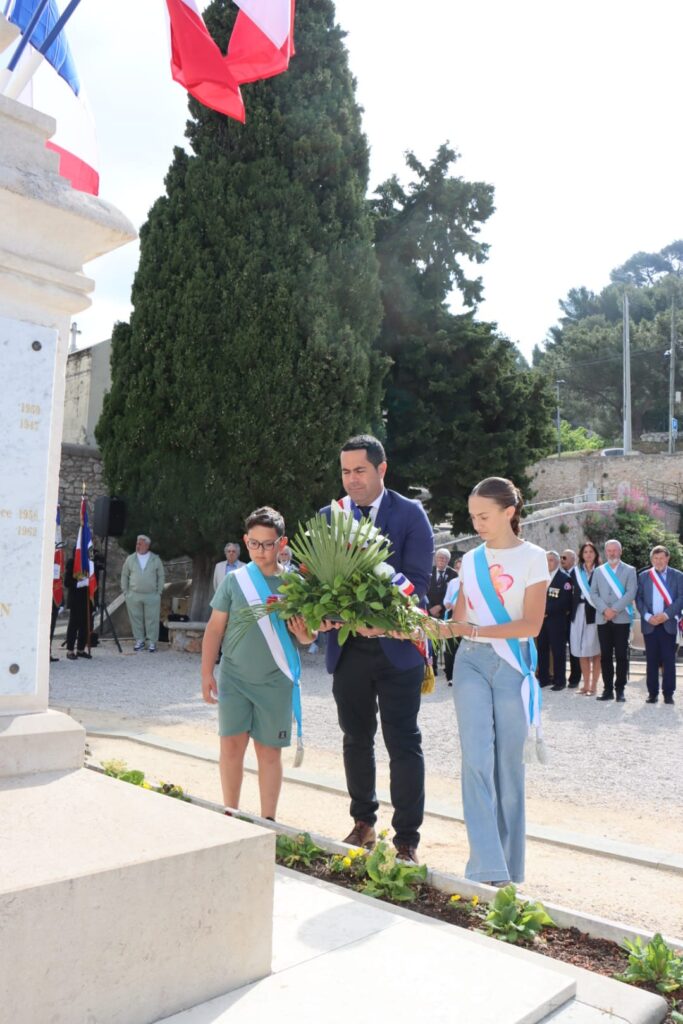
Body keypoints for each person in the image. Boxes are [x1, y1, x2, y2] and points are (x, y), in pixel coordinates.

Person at [319, 435, 433, 863]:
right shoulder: (331, 516)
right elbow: (319, 583)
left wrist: (380, 621)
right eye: (345, 471)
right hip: (348, 650)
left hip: (397, 651)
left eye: (360, 470)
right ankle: (363, 822)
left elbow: (418, 586)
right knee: (355, 738)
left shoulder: (410, 515)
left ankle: (406, 839)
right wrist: (321, 616)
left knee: (403, 742)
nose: (352, 480)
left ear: (382, 470)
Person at [438, 477, 548, 885]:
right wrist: (415, 628)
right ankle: (485, 866)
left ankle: (509, 867)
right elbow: (460, 623)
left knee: (509, 768)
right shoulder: (470, 561)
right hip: (471, 663)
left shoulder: (535, 558)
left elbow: (532, 624)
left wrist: (476, 631)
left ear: (509, 512)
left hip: (512, 664)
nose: (478, 524)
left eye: (484, 516)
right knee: (476, 760)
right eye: (473, 517)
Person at [201, 506, 315, 819]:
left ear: (282, 543)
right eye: (254, 543)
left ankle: (268, 823)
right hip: (235, 679)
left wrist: (306, 634)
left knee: (268, 752)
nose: (260, 551)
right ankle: (230, 815)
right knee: (231, 748)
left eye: (267, 544)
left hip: (276, 680)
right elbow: (214, 628)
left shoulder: (296, 585)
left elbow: (308, 636)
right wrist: (206, 673)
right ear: (245, 540)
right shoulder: (235, 581)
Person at [590, 539, 637, 702]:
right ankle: (607, 689)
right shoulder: (598, 571)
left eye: (615, 550)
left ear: (620, 551)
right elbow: (593, 593)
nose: (612, 553)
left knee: (622, 656)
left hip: (621, 618)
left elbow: (631, 593)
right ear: (605, 552)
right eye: (609, 550)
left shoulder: (630, 570)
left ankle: (620, 690)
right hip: (603, 618)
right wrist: (605, 610)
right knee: (606, 656)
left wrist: (614, 609)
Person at [636, 545, 683, 705]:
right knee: (651, 660)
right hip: (650, 624)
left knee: (669, 660)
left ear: (667, 558)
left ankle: (668, 693)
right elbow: (639, 599)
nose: (659, 561)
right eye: (655, 558)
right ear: (651, 560)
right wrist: (648, 616)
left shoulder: (678, 576)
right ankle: (652, 693)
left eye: (662, 558)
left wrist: (666, 615)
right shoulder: (643, 576)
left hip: (668, 623)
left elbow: (681, 599)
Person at [121, 535, 165, 652]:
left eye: (140, 544)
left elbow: (161, 576)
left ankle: (152, 642)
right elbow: (124, 575)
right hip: (134, 595)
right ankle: (139, 640)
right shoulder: (130, 559)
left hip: (151, 595)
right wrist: (126, 592)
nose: (137, 546)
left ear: (147, 545)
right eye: (137, 543)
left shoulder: (155, 559)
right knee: (136, 619)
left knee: (152, 619)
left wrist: (159, 592)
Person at [537, 551, 573, 690]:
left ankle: (559, 681)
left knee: (558, 651)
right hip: (541, 621)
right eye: (546, 560)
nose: (548, 563)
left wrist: (546, 611)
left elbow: (565, 601)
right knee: (542, 650)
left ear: (558, 562)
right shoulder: (540, 578)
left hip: (556, 621)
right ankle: (544, 679)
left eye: (551, 560)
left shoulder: (564, 579)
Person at [569, 542, 602, 695]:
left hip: (594, 614)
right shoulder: (575, 572)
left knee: (595, 651)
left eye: (591, 552)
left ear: (595, 554)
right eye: (585, 552)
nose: (588, 554)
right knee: (581, 650)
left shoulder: (601, 572)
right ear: (581, 555)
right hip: (578, 614)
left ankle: (594, 685)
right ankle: (585, 685)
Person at [426, 548, 457, 675]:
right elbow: (424, 590)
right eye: (439, 557)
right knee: (432, 642)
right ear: (435, 559)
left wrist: (441, 607)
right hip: (430, 611)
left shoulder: (454, 574)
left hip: (446, 612)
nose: (441, 560)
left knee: (448, 640)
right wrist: (430, 608)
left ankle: (450, 669)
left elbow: (454, 594)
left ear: (448, 560)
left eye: (444, 558)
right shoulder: (428, 572)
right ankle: (432, 669)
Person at [64, 555, 93, 660]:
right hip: (76, 599)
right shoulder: (72, 562)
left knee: (85, 626)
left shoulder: (90, 562)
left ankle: (81, 649)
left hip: (88, 599)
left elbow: (94, 580)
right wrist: (79, 583)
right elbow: (67, 582)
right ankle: (70, 650)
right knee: (73, 625)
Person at [561, 549, 582, 687]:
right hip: (561, 618)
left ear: (573, 559)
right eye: (561, 557)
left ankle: (575, 677)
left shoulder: (578, 575)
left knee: (575, 647)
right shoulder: (562, 575)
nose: (562, 560)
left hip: (574, 616)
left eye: (564, 557)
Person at [442, 557, 463, 686]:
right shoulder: (452, 583)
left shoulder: (472, 582)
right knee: (450, 647)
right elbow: (446, 600)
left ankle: (462, 675)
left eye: (462, 567)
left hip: (466, 618)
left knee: (463, 647)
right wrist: (449, 604)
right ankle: (450, 676)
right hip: (452, 616)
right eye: (458, 568)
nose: (460, 570)